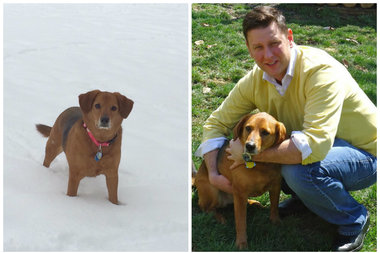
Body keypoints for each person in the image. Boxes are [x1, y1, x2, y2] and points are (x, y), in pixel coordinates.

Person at [194, 5, 377, 252]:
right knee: (287, 161)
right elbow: (215, 123)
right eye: (258, 47)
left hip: (365, 153)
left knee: (297, 172)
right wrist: (214, 174)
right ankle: (310, 200)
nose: (267, 55)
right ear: (248, 49)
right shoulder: (255, 80)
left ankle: (354, 218)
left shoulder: (320, 72)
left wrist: (248, 153)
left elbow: (315, 146)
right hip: (325, 150)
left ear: (289, 38)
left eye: (274, 43)